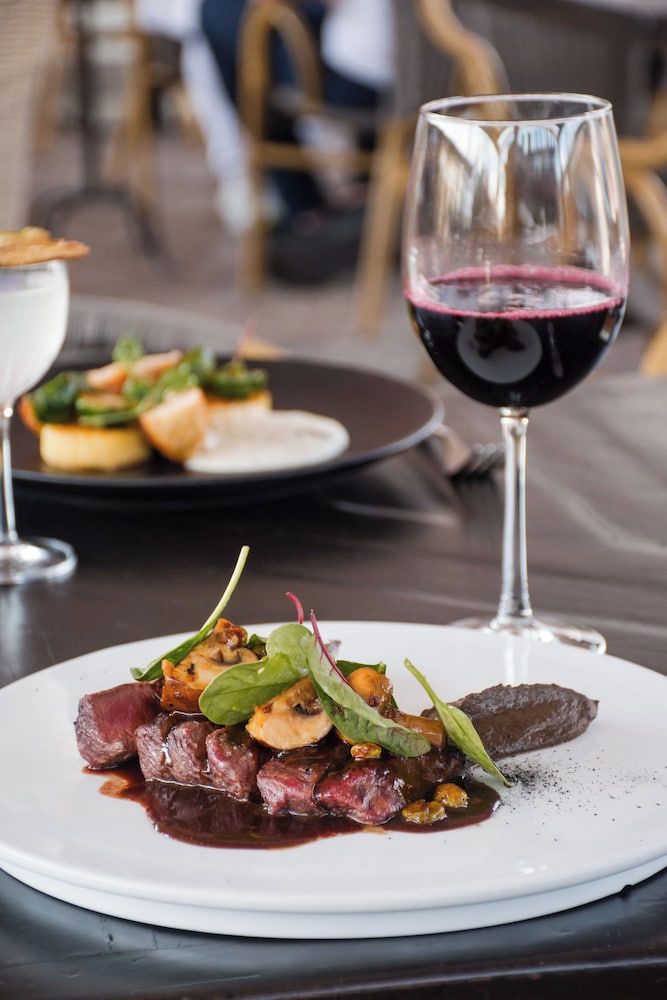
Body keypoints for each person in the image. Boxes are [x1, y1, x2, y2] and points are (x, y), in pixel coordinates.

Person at [200, 0, 394, 282]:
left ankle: (304, 209)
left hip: (367, 77)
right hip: (433, 65)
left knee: (223, 15)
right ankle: (363, 192)